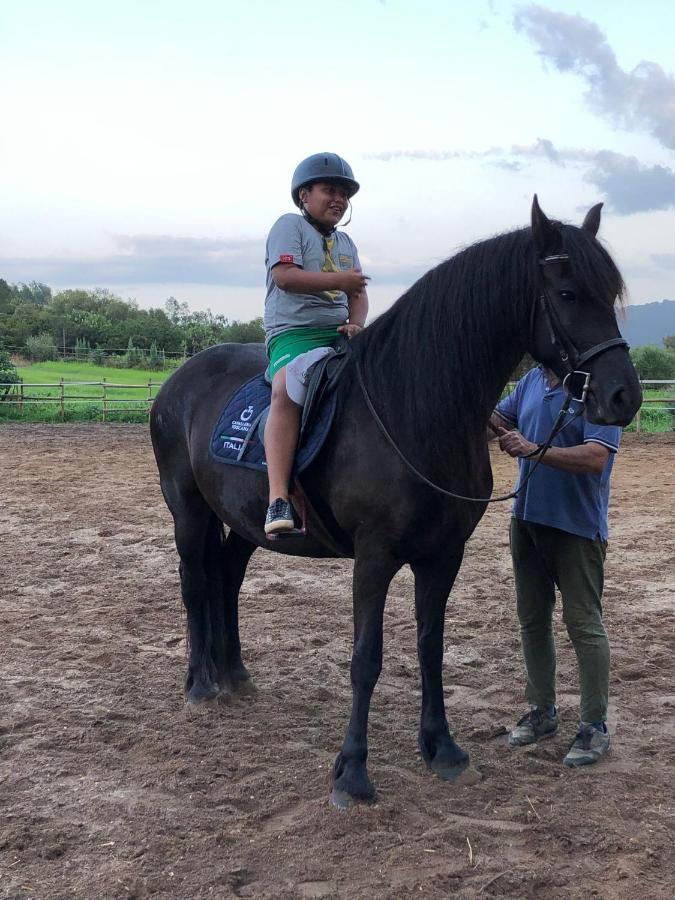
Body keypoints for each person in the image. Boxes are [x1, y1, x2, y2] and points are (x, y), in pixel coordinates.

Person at [489, 364, 622, 767]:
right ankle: (542, 711)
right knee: (531, 619)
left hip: (576, 526)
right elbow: (500, 419)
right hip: (527, 519)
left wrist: (533, 450)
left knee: (583, 624)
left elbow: (597, 457)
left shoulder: (597, 385)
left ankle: (595, 726)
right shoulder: (532, 380)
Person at [263, 153, 369, 535]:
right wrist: (341, 282)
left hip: (338, 333)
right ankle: (277, 497)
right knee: (285, 391)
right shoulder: (288, 227)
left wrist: (356, 323)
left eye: (344, 193)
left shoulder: (345, 242)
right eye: (330, 191)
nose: (338, 199)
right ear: (304, 194)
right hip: (294, 332)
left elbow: (358, 294)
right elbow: (286, 277)